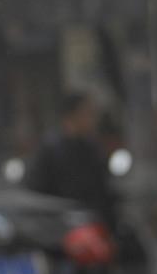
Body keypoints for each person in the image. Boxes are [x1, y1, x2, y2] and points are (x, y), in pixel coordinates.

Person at [23, 92, 117, 227]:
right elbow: (38, 192)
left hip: (93, 225)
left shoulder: (92, 148)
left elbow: (102, 191)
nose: (93, 119)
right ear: (73, 115)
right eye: (88, 113)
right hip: (62, 229)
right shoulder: (51, 150)